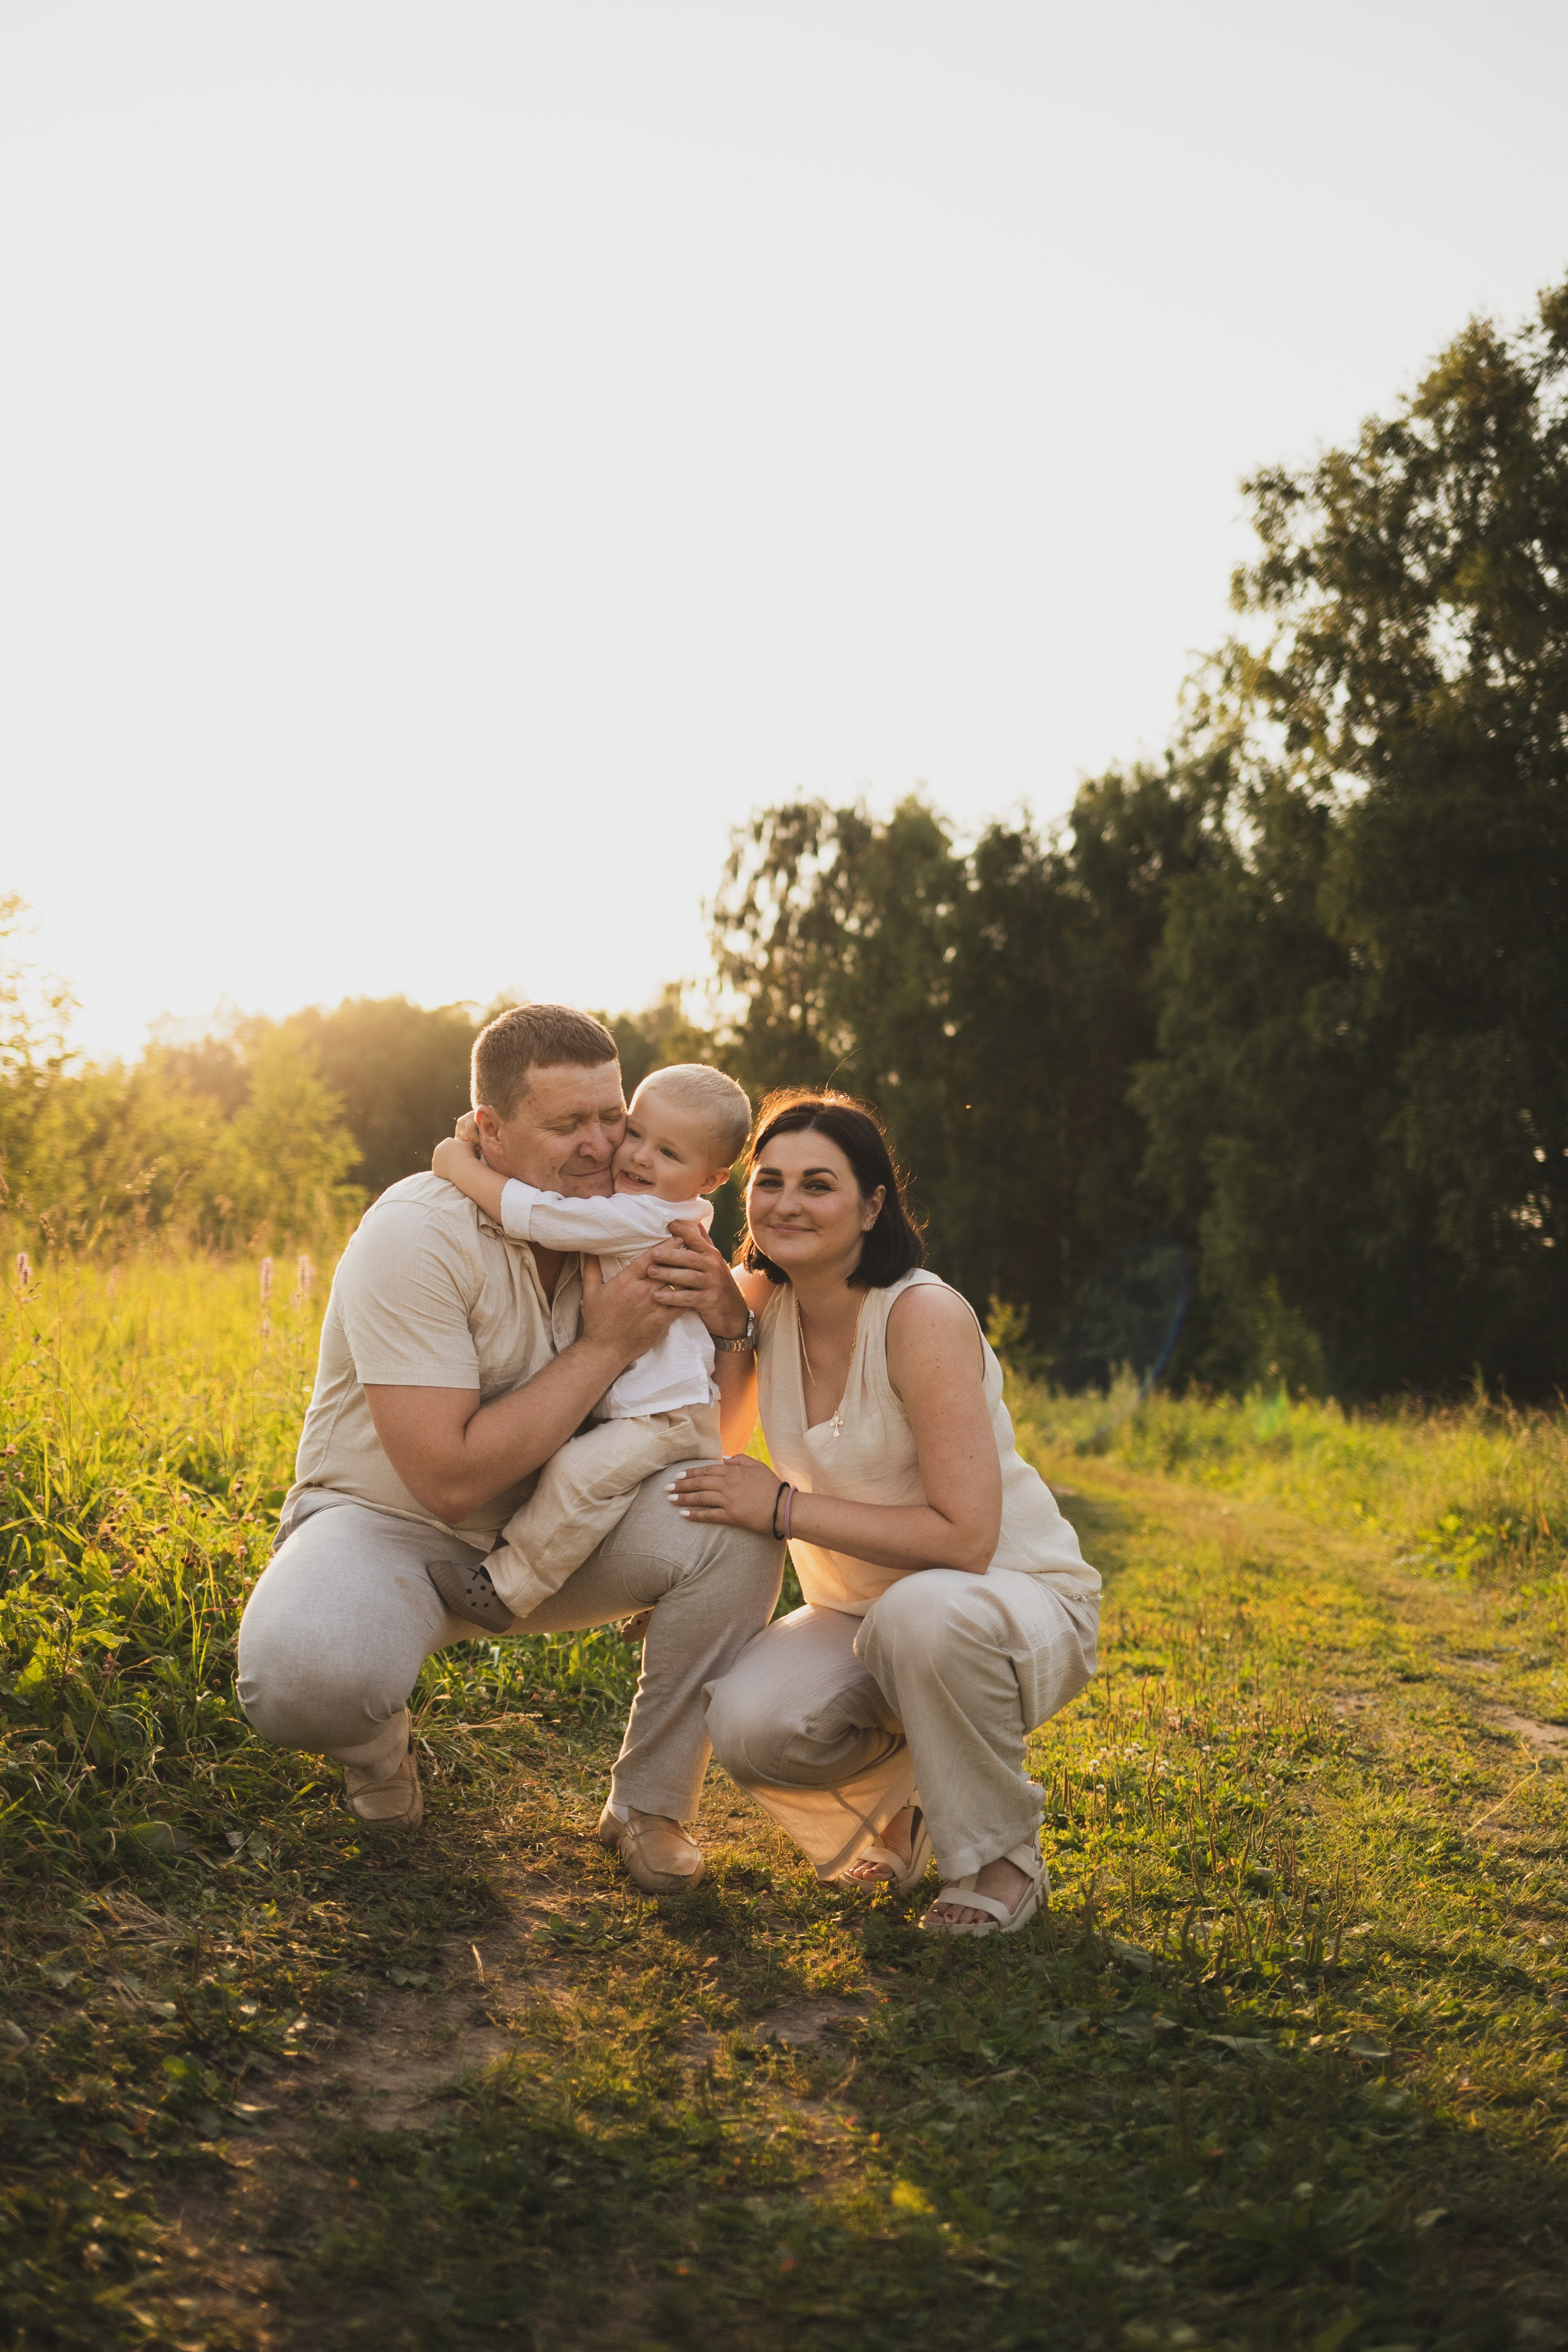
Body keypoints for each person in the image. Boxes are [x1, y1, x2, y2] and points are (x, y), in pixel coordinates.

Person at [235, 1005, 777, 1895]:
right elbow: (445, 1483)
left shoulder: (644, 1221)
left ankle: (649, 1807)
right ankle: (376, 1748)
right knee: (304, 1676)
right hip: (394, 1527)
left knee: (736, 1518)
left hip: (565, 1529)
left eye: (616, 1118)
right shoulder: (417, 1233)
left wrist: (729, 1325)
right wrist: (603, 1347)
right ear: (490, 1130)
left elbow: (711, 1438)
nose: (607, 1148)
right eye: (570, 1126)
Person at [677, 1091, 1099, 1936]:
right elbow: (717, 1434)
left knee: (921, 1615)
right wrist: (729, 1328)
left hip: (1006, 1601)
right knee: (751, 1723)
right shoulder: (767, 1296)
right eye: (770, 1181)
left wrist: (783, 1509)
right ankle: (893, 1819)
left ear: (874, 1206)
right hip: (863, 1615)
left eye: (819, 1184)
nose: (788, 1202)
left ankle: (1000, 1859)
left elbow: (966, 1538)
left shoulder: (920, 1313)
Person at [423, 1061, 752, 1628]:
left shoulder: (646, 1216)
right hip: (660, 1410)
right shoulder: (661, 1206)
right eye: (637, 1132)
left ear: (713, 1179)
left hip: (664, 1414)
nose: (640, 1157)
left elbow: (544, 1219)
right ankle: (660, 1590)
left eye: (669, 1154)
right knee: (601, 1486)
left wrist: (459, 1164)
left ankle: (505, 1591)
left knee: (580, 1477)